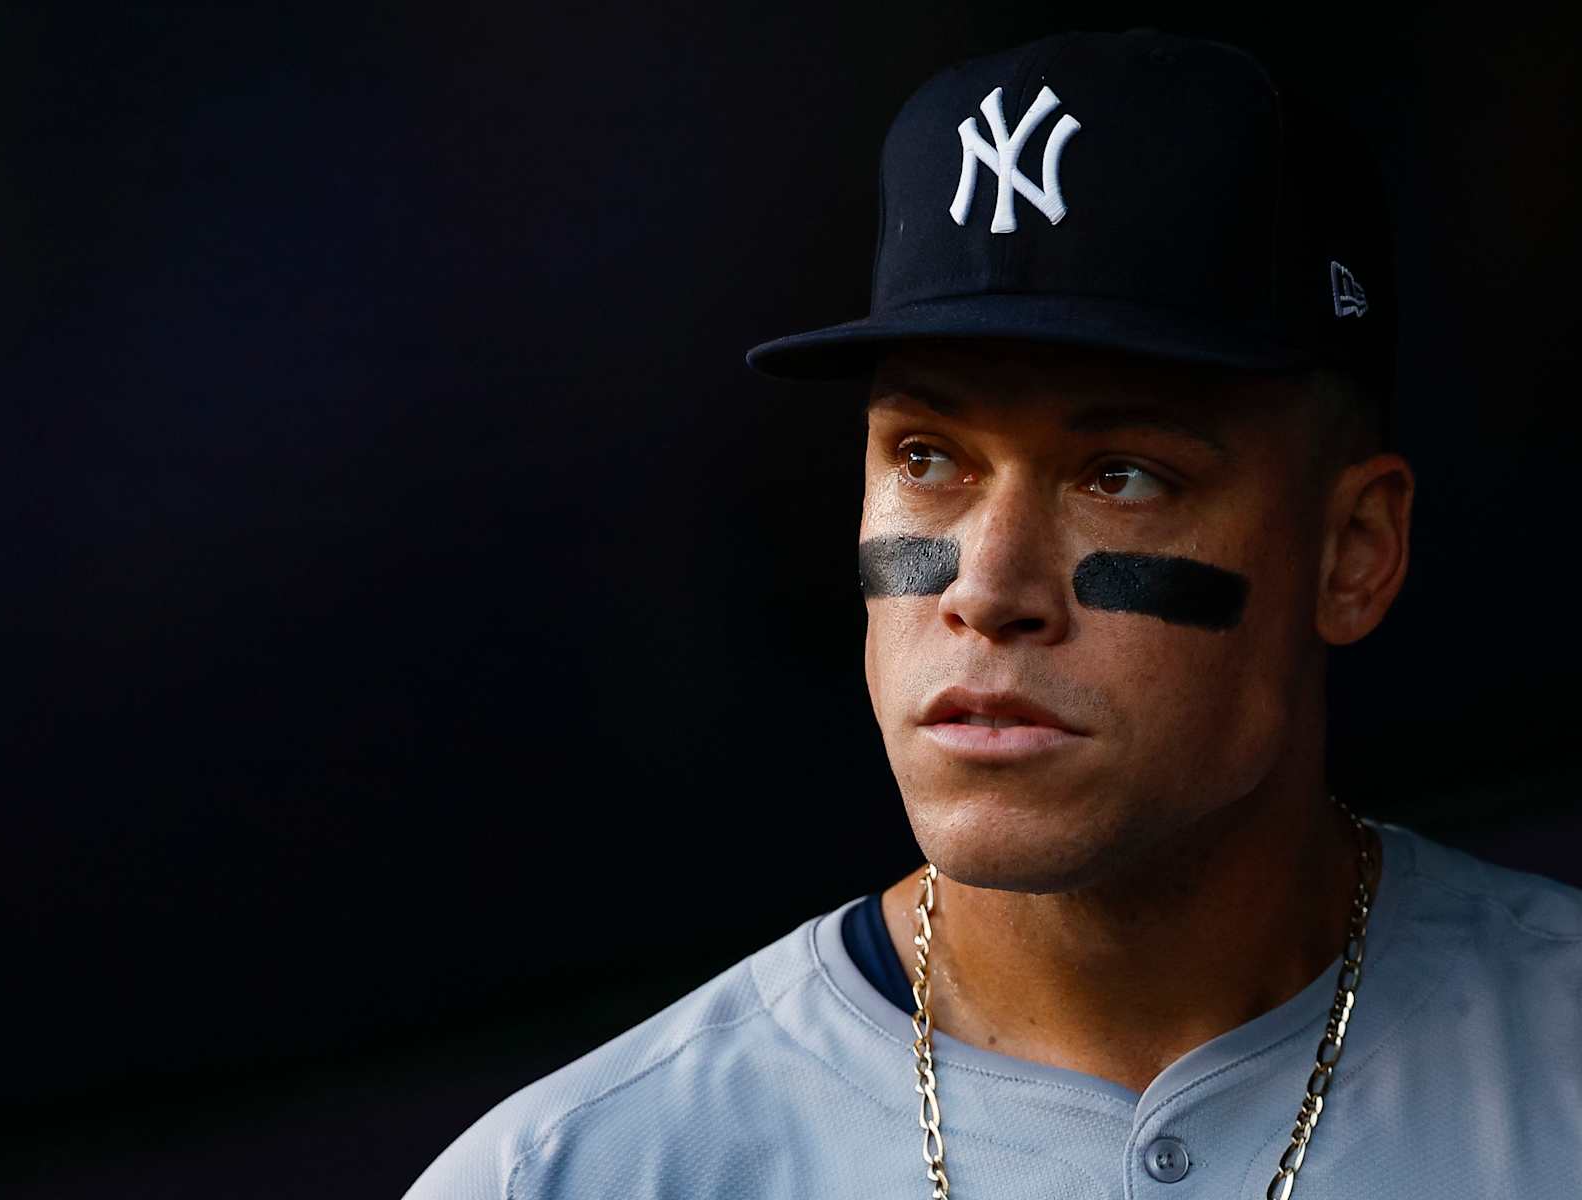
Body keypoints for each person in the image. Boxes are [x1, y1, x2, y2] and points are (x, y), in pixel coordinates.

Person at [404, 28, 1582, 1199]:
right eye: (927, 456)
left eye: (1121, 474)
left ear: (1354, 555)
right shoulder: (574, 1175)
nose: (988, 587)